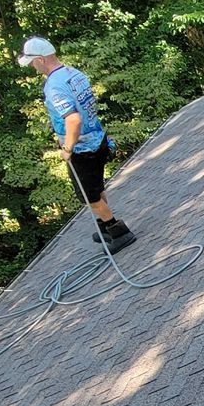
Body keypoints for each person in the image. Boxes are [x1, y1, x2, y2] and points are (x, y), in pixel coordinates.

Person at [19, 37, 137, 252]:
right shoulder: (74, 74)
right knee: (96, 187)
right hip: (98, 140)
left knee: (89, 196)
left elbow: (73, 119)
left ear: (41, 60)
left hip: (83, 149)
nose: (32, 68)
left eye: (32, 63)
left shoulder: (54, 86)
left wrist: (67, 148)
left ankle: (119, 233)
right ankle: (104, 226)